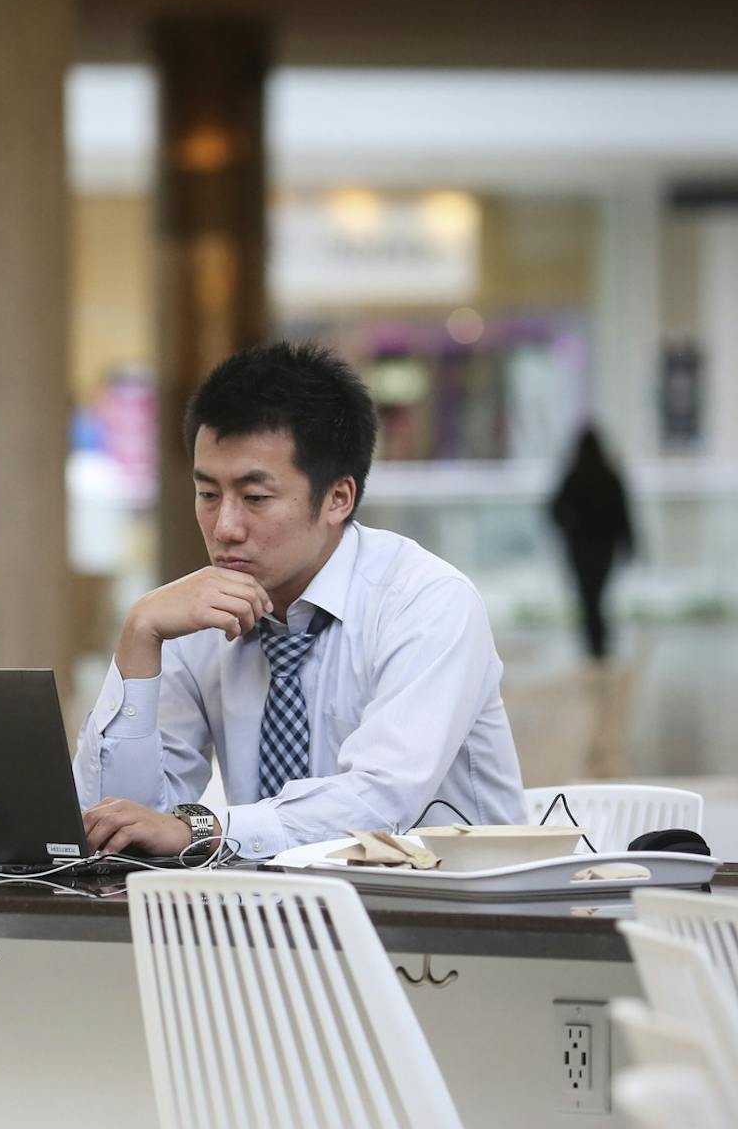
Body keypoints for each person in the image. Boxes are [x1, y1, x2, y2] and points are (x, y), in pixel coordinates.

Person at [77, 341, 525, 860]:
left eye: (255, 498)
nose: (225, 527)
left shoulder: (426, 604)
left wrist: (201, 830)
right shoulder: (196, 616)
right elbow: (114, 823)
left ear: (338, 498)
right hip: (270, 920)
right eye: (207, 494)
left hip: (450, 918)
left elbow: (380, 802)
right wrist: (139, 637)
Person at [548, 423, 634, 660]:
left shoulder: (573, 476)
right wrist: (628, 544)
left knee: (588, 596)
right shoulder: (610, 476)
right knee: (598, 595)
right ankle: (599, 642)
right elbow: (624, 513)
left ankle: (593, 642)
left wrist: (569, 528)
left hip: (580, 548)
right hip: (605, 548)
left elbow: (554, 510)